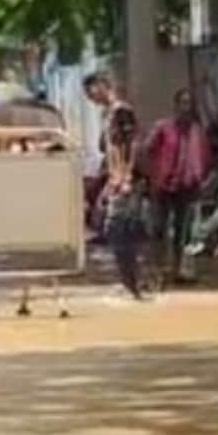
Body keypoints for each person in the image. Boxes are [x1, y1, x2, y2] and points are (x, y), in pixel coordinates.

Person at [140, 87, 211, 284]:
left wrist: (200, 178)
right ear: (176, 105)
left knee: (184, 231)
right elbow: (146, 150)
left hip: (188, 186)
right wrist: (150, 176)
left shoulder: (197, 131)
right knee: (159, 228)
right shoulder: (163, 128)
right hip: (164, 185)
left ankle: (181, 268)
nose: (185, 108)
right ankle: (159, 267)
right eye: (182, 103)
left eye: (189, 103)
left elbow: (204, 156)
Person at [95, 100, 149, 300]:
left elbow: (128, 166)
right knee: (121, 237)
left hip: (127, 191)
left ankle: (133, 283)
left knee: (123, 236)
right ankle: (131, 283)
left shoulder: (129, 145)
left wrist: (123, 182)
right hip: (121, 190)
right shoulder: (116, 142)